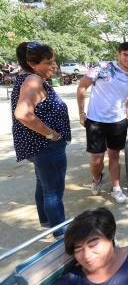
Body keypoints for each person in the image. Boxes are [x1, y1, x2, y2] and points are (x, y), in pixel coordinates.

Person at [12, 42, 71, 237]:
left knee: (44, 184)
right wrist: (51, 134)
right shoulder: (33, 81)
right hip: (46, 147)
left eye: (54, 61)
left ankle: (47, 222)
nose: (54, 66)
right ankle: (60, 232)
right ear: (32, 63)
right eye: (48, 62)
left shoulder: (28, 78)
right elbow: (22, 113)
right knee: (53, 191)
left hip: (39, 147)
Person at [77, 42, 128, 204]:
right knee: (97, 159)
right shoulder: (102, 67)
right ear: (118, 54)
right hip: (96, 121)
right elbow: (82, 87)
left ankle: (116, 188)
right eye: (125, 55)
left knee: (114, 156)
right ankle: (96, 178)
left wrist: (127, 118)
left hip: (118, 123)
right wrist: (81, 113)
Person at [55, 207, 128, 285]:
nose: (86, 255)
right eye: (78, 249)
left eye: (93, 245)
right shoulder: (73, 279)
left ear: (111, 236)